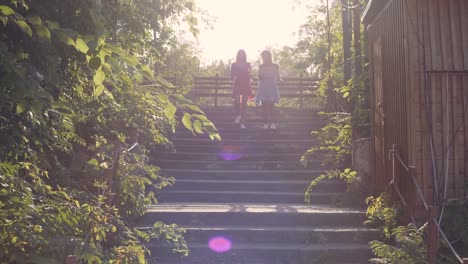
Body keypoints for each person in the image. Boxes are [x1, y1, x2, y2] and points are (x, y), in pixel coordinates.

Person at [255, 50, 281, 129]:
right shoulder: (261, 66)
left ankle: (272, 123)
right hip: (263, 85)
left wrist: (280, 80)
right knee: (264, 105)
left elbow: (278, 77)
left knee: (271, 105)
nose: (265, 57)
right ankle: (266, 122)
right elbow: (259, 77)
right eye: (263, 56)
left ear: (269, 56)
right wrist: (260, 77)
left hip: (271, 85)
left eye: (266, 55)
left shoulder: (275, 65)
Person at [230, 49, 252, 129]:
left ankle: (242, 122)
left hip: (246, 84)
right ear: (237, 55)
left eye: (243, 53)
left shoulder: (248, 64)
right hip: (238, 83)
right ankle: (238, 116)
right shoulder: (234, 64)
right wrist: (234, 74)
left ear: (245, 55)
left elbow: (250, 75)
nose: (241, 55)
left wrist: (250, 77)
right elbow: (232, 76)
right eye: (240, 53)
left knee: (244, 103)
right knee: (237, 101)